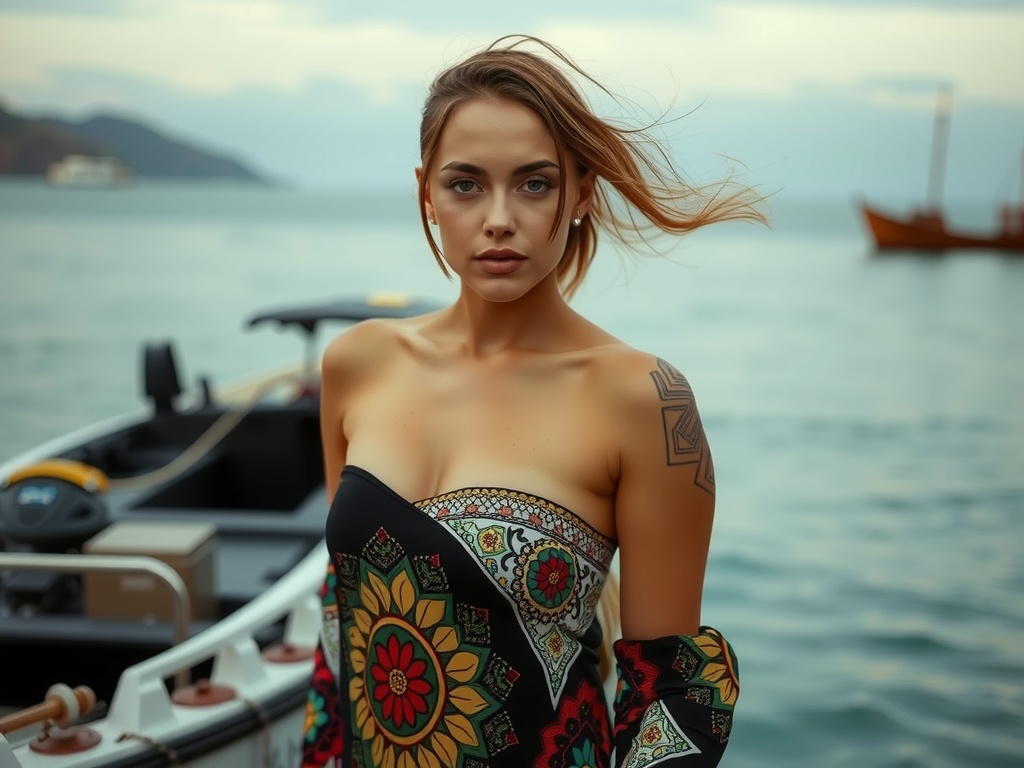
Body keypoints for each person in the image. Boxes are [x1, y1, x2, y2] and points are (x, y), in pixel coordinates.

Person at [301, 35, 765, 768]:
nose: (498, 218)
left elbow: (672, 694)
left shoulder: (644, 399)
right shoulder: (358, 364)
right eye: (465, 185)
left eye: (534, 183)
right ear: (425, 192)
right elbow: (343, 628)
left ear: (582, 192)